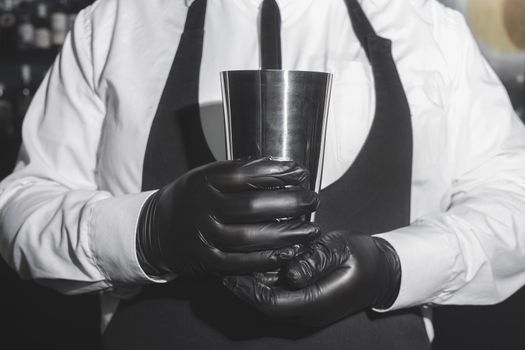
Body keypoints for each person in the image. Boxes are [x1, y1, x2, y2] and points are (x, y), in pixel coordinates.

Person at [1, 0, 525, 348]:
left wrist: (395, 265)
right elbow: (22, 206)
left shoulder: (430, 28)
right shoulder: (117, 22)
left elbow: (513, 199)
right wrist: (146, 232)